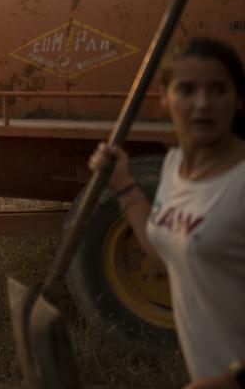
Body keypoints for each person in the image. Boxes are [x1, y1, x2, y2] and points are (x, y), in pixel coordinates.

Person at [89, 37, 245, 388]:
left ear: (238, 99)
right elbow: (166, 253)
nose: (202, 103)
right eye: (187, 90)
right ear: (165, 98)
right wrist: (124, 184)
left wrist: (234, 379)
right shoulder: (175, 166)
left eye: (218, 89)